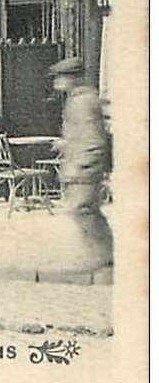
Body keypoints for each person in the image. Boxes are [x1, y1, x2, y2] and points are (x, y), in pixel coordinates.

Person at [51, 56, 112, 265]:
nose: (56, 81)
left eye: (61, 77)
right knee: (85, 210)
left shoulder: (84, 101)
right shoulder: (77, 99)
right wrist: (66, 143)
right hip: (78, 164)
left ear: (73, 78)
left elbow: (94, 138)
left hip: (84, 167)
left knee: (83, 210)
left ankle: (104, 256)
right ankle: (101, 255)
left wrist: (83, 165)